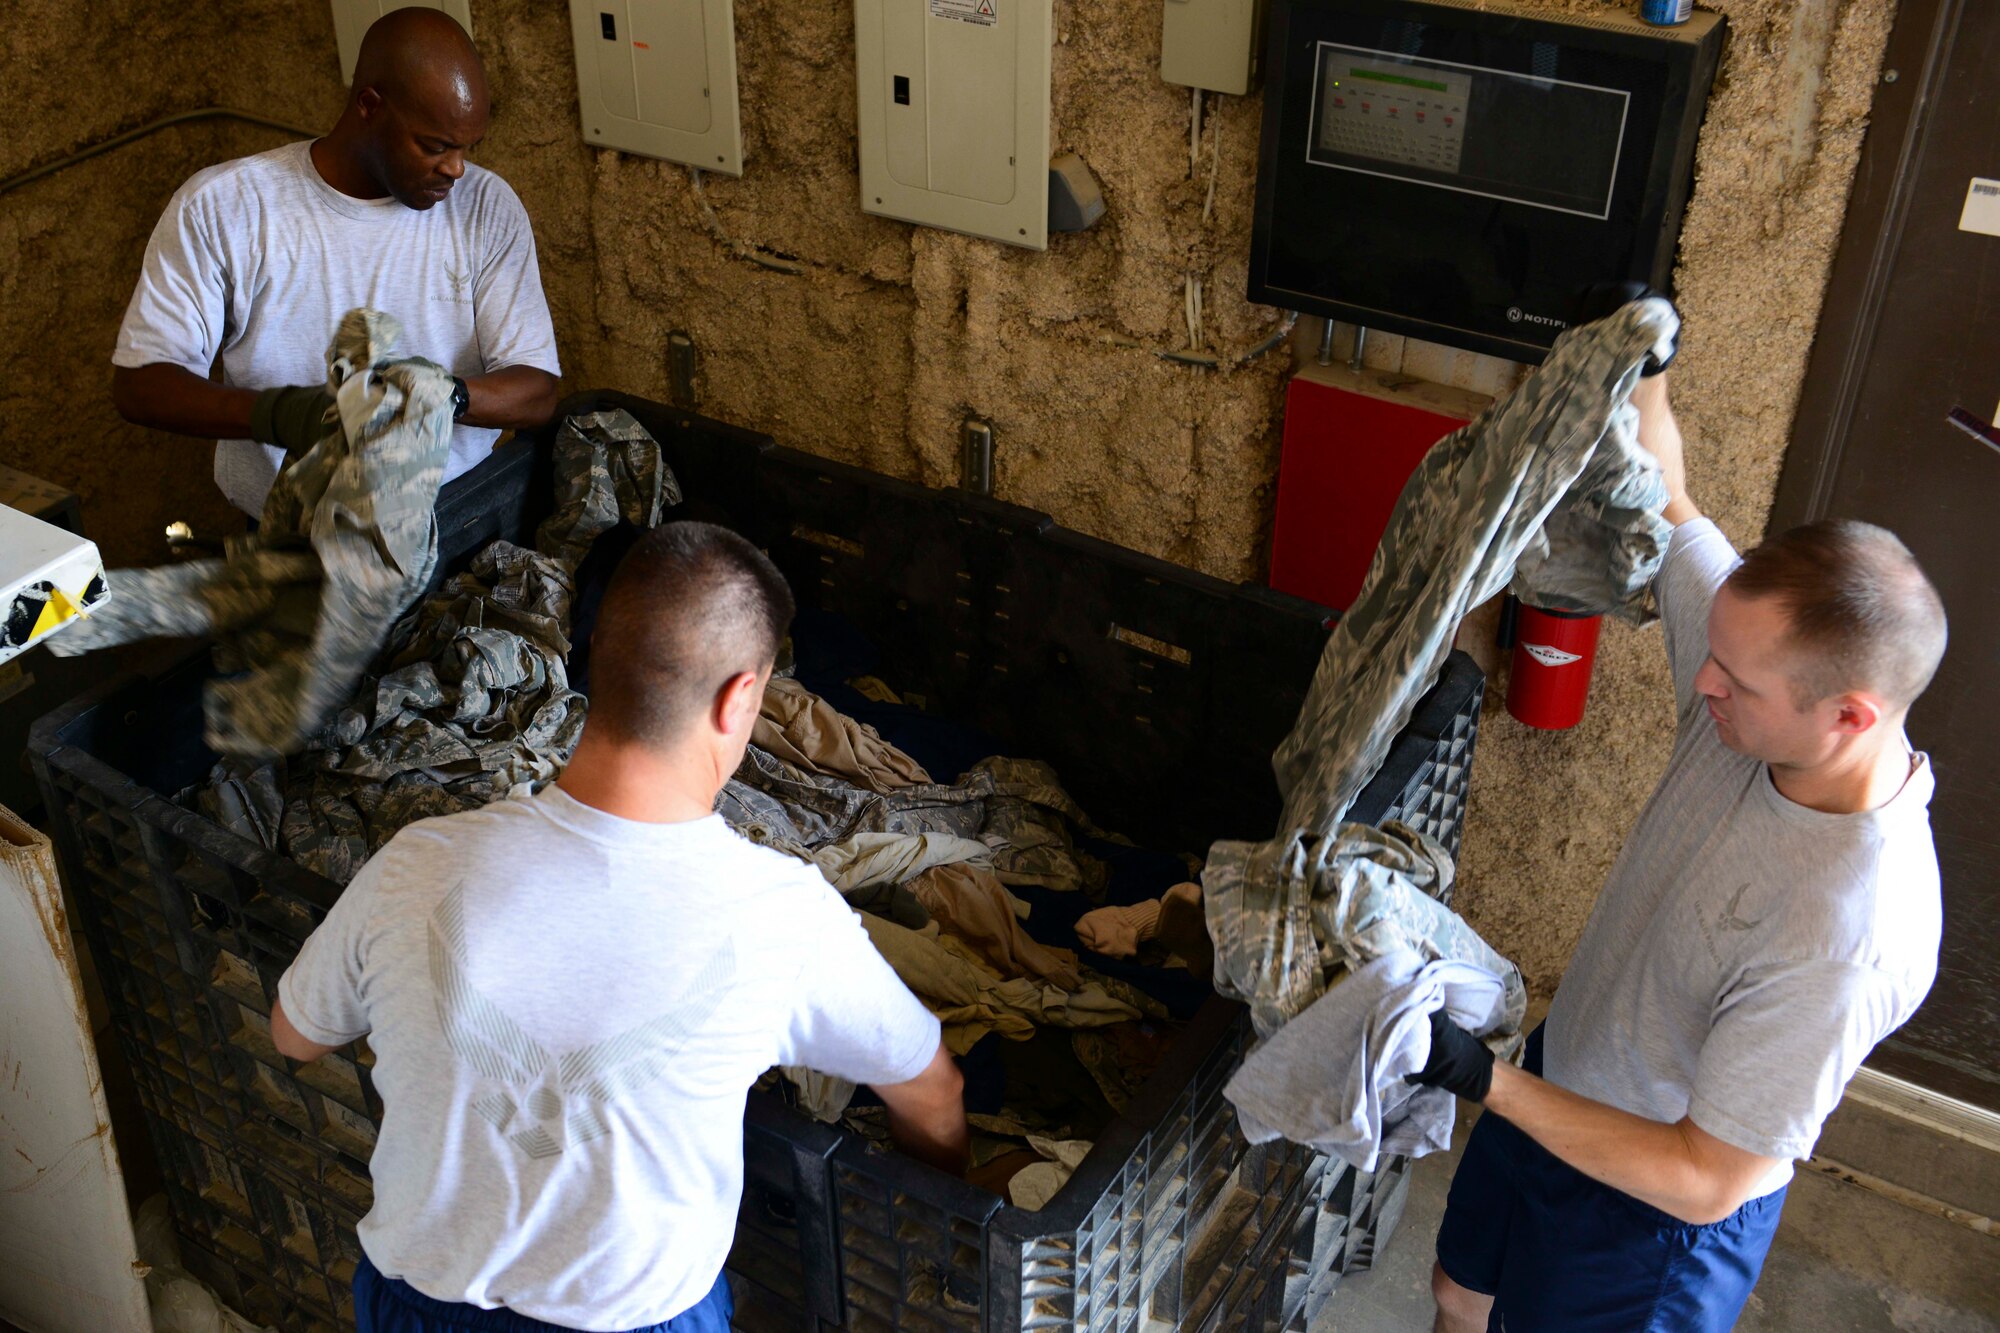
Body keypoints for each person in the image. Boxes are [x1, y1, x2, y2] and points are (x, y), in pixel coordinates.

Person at [270, 522, 969, 1333]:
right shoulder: (782, 914)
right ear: (740, 698)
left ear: (597, 654)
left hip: (414, 1307)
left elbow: (294, 1035)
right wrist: (945, 1225)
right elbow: (932, 1092)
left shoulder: (416, 861)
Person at [1413, 372, 1948, 1332]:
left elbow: (1709, 1177)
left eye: (1735, 680)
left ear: (1850, 717)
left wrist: (1484, 1079)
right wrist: (1645, 351)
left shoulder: (1848, 933)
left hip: (1651, 1211)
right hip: (1560, 1080)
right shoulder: (1761, 685)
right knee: (1460, 1292)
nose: (1701, 683)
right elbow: (1669, 493)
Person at [110, 7, 560, 518]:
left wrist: (441, 397)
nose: (456, 169)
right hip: (292, 526)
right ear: (369, 105)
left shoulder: (486, 208)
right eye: (434, 146)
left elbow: (537, 392)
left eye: (466, 148)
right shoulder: (225, 208)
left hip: (453, 513)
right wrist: (286, 415)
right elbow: (141, 386)